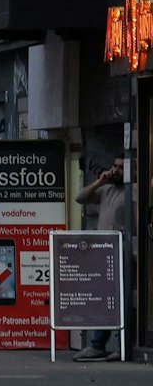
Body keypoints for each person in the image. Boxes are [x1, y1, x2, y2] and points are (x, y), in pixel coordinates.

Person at [76, 148, 133, 361]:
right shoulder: (107, 189)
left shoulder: (135, 190)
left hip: (125, 251)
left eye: (122, 168)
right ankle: (98, 345)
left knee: (122, 299)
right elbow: (80, 198)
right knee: (104, 299)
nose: (116, 171)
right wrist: (100, 182)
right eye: (115, 166)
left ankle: (122, 344)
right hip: (104, 251)